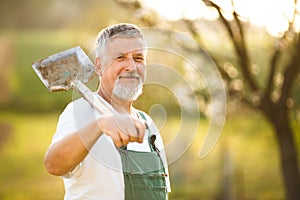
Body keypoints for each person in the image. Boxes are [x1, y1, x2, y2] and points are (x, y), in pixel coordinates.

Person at [44, 23, 171, 199]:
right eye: (120, 58)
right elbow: (53, 164)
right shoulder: (80, 112)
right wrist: (100, 125)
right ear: (99, 66)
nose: (132, 67)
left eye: (138, 58)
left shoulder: (147, 124)